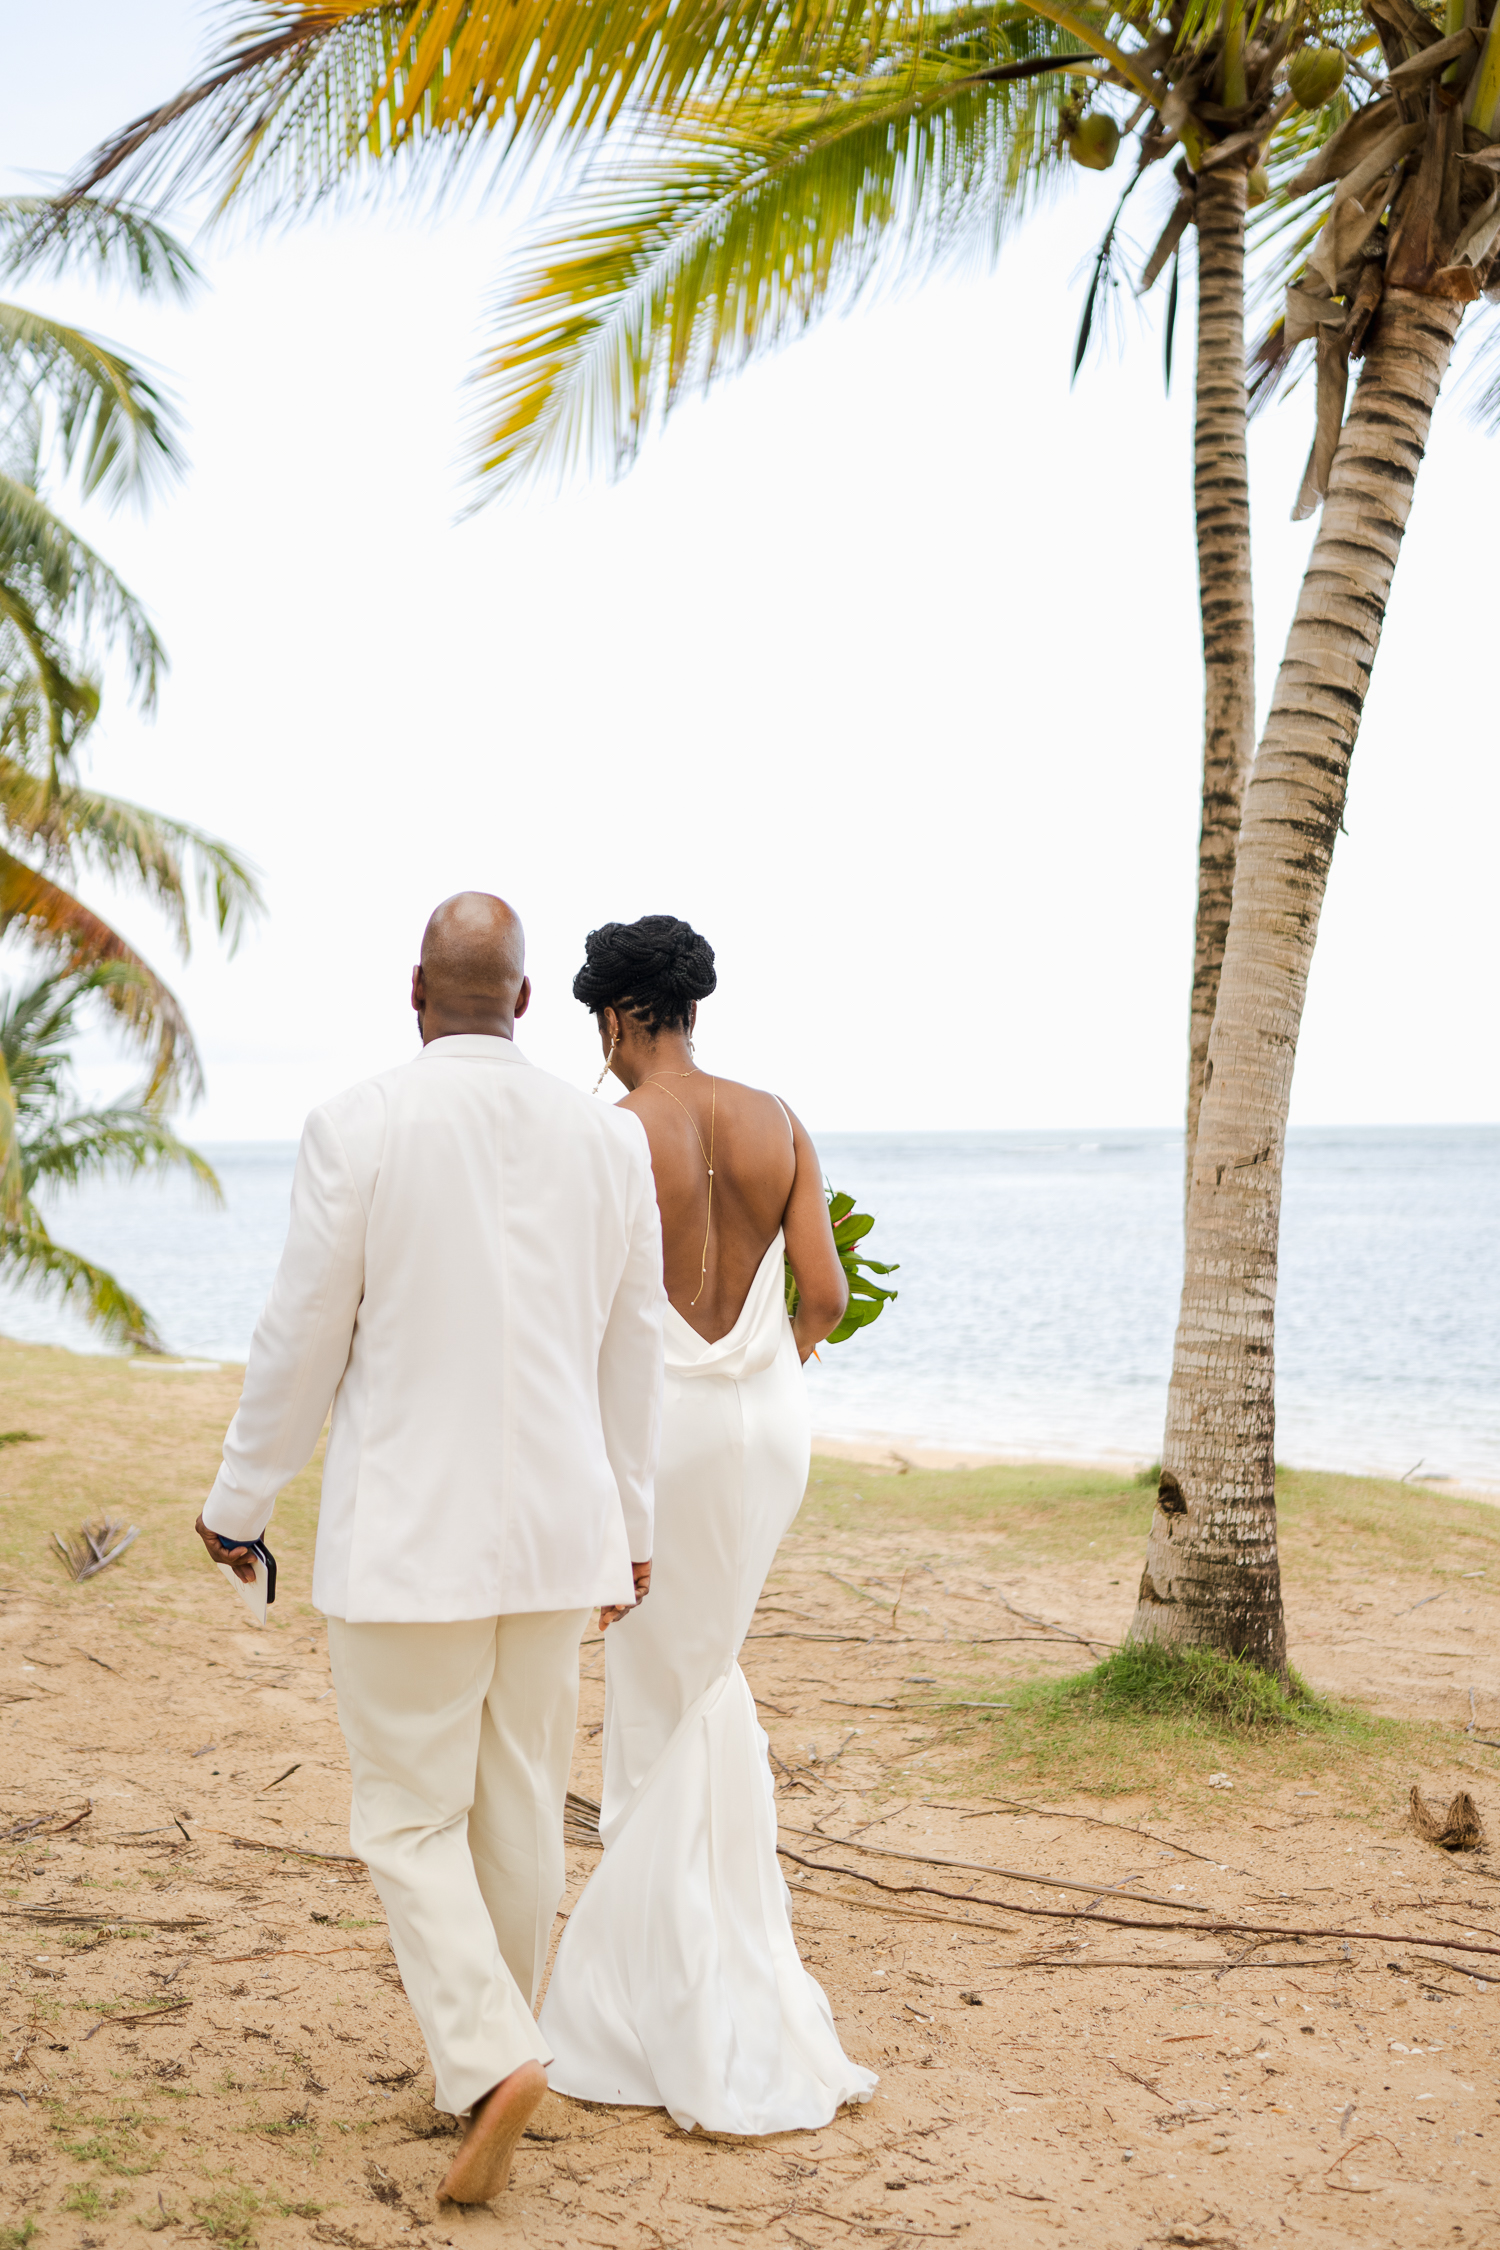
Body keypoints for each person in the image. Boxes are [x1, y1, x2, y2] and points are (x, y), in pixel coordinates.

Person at [193, 894, 665, 2203]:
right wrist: (635, 1524)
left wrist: (242, 1498)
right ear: (521, 1002)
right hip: (559, 1533)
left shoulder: (360, 1122)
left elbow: (303, 1335)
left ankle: (492, 2055)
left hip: (410, 1534)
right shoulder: (603, 1139)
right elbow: (636, 1351)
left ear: (417, 991)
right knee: (517, 1799)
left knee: (406, 1810)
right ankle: (489, 2061)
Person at [538, 913, 878, 2133]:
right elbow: (824, 1295)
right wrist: (760, 1378)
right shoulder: (777, 1118)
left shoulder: (614, 1132)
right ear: (692, 1007)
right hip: (766, 1434)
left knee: (657, 1689)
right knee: (705, 1674)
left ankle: (663, 1997)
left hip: (663, 1438)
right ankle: (720, 1951)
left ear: (622, 1019)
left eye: (603, 1030)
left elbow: (584, 1321)